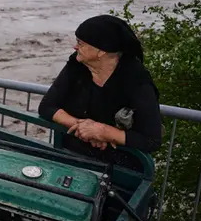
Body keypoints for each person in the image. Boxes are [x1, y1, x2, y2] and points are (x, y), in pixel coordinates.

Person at [38, 14, 162, 171]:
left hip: (119, 172)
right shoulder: (77, 65)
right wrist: (85, 129)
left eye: (80, 43)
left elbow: (151, 140)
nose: (75, 47)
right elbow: (47, 107)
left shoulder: (136, 80)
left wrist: (104, 132)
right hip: (71, 158)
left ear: (101, 51)